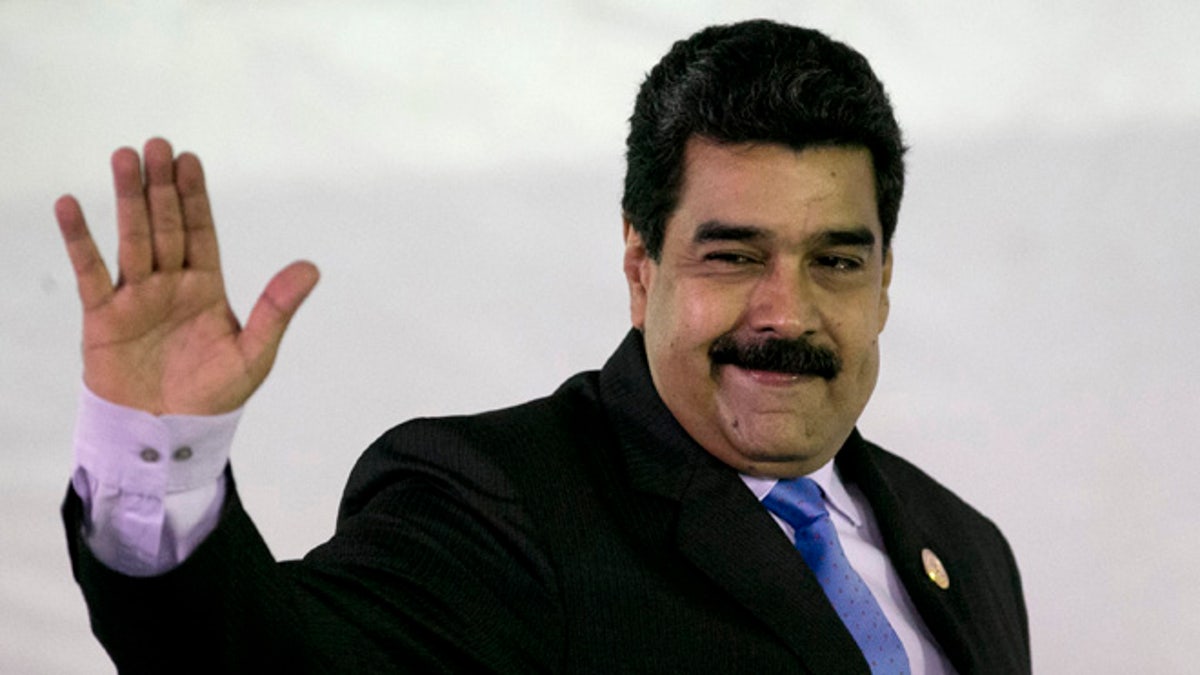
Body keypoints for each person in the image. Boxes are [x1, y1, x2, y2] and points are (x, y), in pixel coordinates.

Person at [57, 19, 1030, 674]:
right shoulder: (496, 501)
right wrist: (160, 454)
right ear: (641, 264)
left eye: (836, 261)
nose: (786, 312)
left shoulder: (968, 548)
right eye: (733, 256)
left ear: (886, 280)